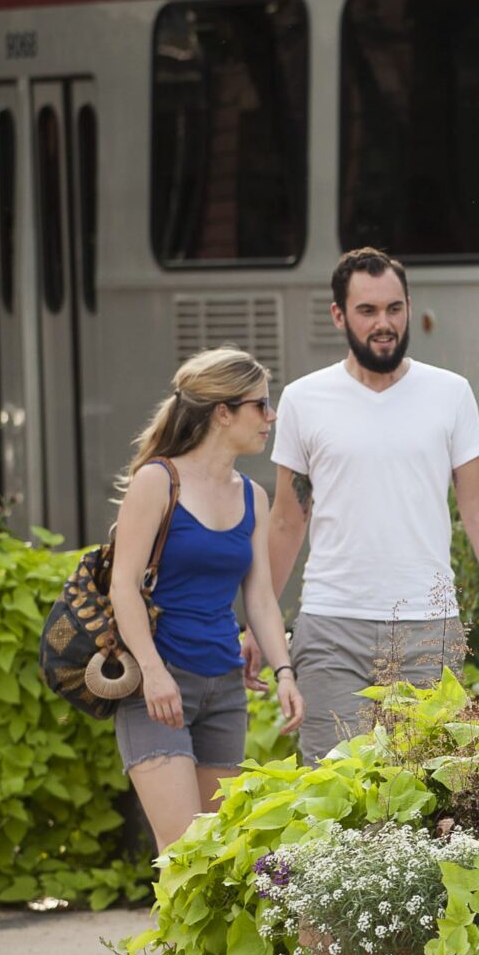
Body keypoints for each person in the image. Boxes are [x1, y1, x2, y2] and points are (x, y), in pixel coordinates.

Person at [263, 248, 479, 762]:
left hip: (428, 628)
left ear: (409, 308)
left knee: (424, 792)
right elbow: (287, 519)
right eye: (367, 311)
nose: (384, 324)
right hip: (331, 625)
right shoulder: (304, 399)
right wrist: (255, 623)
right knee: (331, 793)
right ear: (339, 315)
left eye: (394, 309)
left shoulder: (450, 393)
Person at [107, 349, 304, 851]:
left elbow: (258, 598)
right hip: (159, 686)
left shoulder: (251, 496)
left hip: (224, 691)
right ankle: (163, 935)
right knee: (180, 853)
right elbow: (123, 585)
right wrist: (152, 672)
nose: (271, 417)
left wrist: (284, 671)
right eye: (260, 405)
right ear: (223, 412)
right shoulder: (158, 480)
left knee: (214, 859)